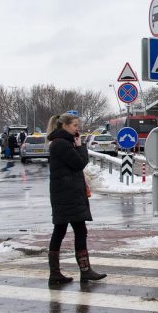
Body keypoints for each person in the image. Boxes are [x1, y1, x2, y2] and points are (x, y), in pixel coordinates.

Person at [46, 113, 106, 283]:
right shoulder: (61, 144)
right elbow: (79, 163)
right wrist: (81, 147)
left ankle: (56, 273)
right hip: (68, 195)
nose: (77, 129)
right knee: (78, 231)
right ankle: (84, 270)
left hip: (65, 194)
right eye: (74, 126)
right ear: (64, 125)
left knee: (61, 231)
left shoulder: (61, 142)